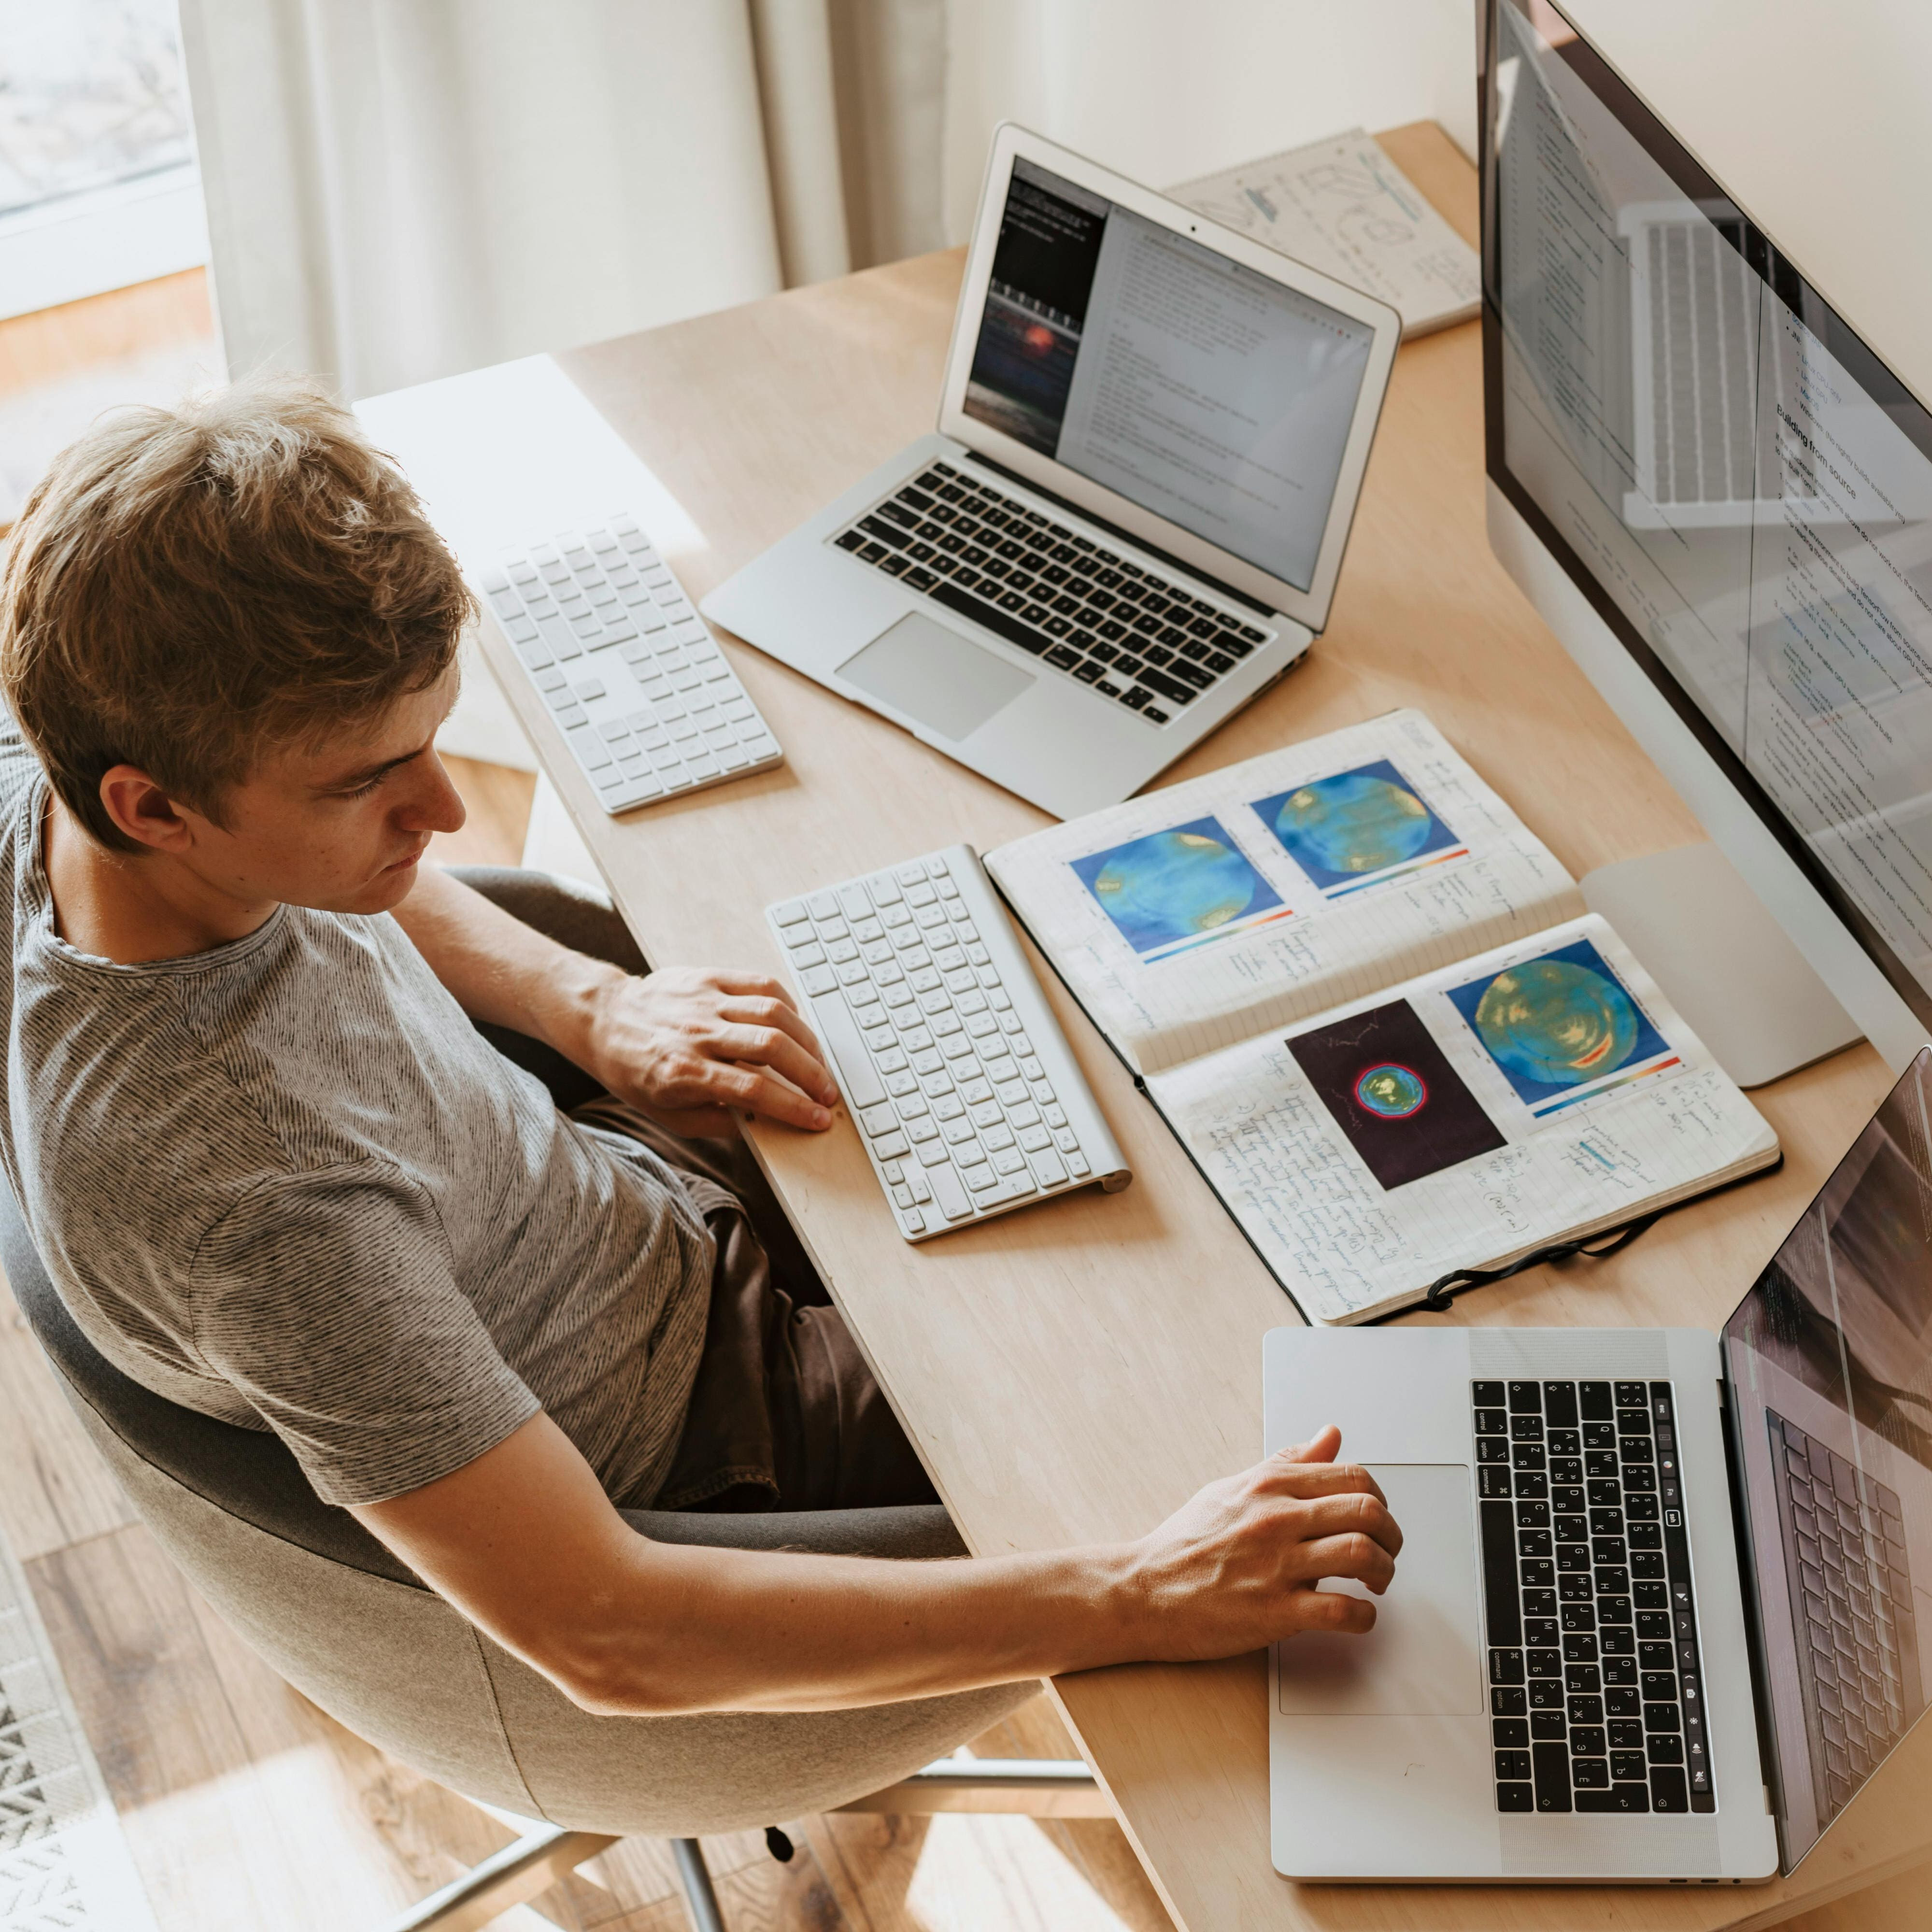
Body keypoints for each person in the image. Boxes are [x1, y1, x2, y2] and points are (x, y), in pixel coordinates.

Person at [0, 378, 1401, 1717]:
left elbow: (350, 872)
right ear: (156, 807)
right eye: (371, 783)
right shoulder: (258, 1214)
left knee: (1098, 1080)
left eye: (429, 742)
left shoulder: (75, 789)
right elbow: (611, 1637)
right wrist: (1136, 1597)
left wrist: (588, 1009)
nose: (440, 810)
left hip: (607, 1200)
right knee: (1258, 1384)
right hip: (716, 1439)